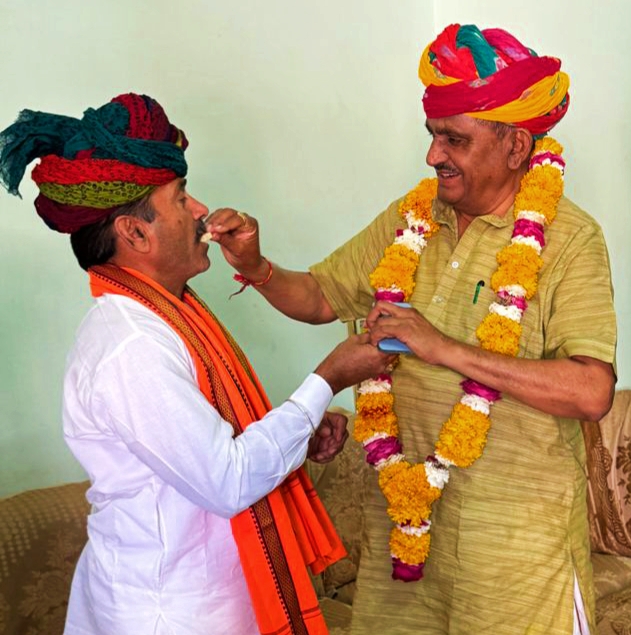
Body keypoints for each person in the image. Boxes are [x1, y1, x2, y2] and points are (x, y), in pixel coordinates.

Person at [208, 24, 618, 635]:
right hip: (405, 538)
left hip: (515, 559)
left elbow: (591, 391)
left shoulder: (570, 238)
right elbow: (320, 296)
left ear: (516, 147)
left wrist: (444, 348)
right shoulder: (412, 218)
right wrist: (256, 265)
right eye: (432, 135)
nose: (433, 155)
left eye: (454, 139)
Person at [0, 93, 394, 635]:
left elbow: (201, 451)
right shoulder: (130, 345)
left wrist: (298, 435)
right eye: (181, 197)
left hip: (209, 600)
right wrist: (328, 380)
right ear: (135, 233)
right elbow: (226, 480)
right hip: (169, 612)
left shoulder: (167, 313)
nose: (200, 209)